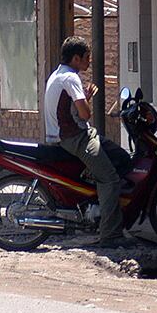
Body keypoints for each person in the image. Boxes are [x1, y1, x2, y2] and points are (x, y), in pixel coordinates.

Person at [44, 36, 129, 247]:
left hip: (69, 136)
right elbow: (85, 115)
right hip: (76, 138)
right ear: (76, 58)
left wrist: (84, 99)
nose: (89, 61)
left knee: (120, 156)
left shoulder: (57, 74)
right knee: (110, 180)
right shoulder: (71, 78)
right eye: (86, 57)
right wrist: (86, 103)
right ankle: (110, 235)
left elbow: (71, 111)